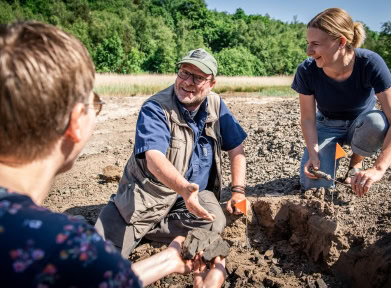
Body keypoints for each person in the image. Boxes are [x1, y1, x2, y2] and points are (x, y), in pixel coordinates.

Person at [0, 21, 226, 288]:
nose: (188, 82)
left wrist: (167, 260)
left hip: (173, 207)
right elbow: (96, 277)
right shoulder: (66, 248)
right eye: (93, 101)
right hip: (140, 202)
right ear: (76, 121)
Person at [95, 47, 247, 259]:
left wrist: (238, 191)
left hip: (193, 196)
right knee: (100, 257)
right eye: (184, 72)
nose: (187, 82)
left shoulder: (216, 104)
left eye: (198, 77)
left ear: (211, 84)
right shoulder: (156, 107)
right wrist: (184, 189)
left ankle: (150, 229)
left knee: (214, 222)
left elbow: (236, 148)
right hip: (147, 195)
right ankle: (134, 222)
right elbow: (153, 158)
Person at [291, 8, 391, 197]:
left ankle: (356, 161)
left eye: (315, 44)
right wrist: (313, 155)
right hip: (327, 124)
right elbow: (308, 120)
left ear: (341, 42)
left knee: (377, 122)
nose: (308, 51)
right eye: (307, 43)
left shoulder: (370, 63)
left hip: (362, 124)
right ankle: (334, 152)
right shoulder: (307, 71)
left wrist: (378, 168)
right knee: (315, 186)